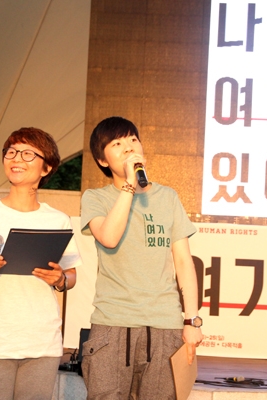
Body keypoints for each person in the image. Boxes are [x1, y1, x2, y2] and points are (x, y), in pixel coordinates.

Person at [0, 127, 82, 400]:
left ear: (47, 167)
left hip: (42, 343)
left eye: (28, 153)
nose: (16, 158)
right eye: (11, 152)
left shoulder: (58, 220)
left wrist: (59, 279)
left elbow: (71, 276)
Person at [80, 116, 203, 399]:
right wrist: (129, 186)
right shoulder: (96, 198)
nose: (128, 147)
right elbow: (109, 238)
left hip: (165, 325)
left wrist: (192, 320)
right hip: (112, 324)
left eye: (133, 139)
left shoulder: (168, 197)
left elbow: (184, 263)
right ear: (102, 160)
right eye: (117, 143)